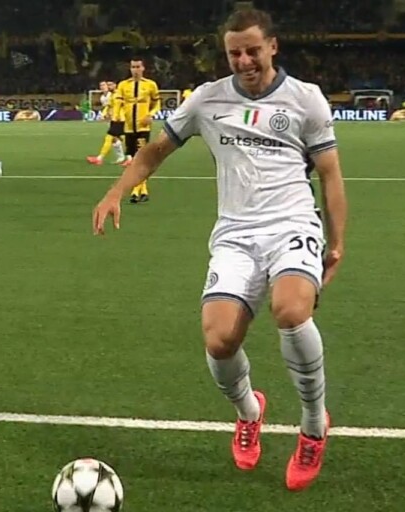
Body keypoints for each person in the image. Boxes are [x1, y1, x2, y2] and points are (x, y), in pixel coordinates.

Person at [92, 7, 346, 491]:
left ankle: (314, 424)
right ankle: (249, 412)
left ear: (272, 47)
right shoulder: (207, 99)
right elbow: (154, 151)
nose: (244, 61)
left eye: (253, 50)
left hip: (292, 224)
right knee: (219, 340)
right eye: (235, 53)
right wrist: (115, 192)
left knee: (291, 311)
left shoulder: (305, 99)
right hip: (235, 233)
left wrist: (337, 242)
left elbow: (331, 174)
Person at [112, 57, 161, 203]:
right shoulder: (123, 85)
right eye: (133, 67)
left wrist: (151, 114)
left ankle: (135, 191)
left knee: (141, 158)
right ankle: (143, 190)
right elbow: (118, 103)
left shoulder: (150, 85)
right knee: (133, 160)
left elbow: (157, 103)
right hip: (128, 127)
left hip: (143, 127)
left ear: (143, 68)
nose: (135, 70)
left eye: (138, 67)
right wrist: (116, 118)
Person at [87, 80, 130, 166]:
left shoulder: (118, 94)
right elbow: (109, 106)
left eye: (110, 85)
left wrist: (118, 115)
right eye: (108, 85)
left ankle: (99, 158)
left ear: (115, 85)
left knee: (110, 138)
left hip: (119, 119)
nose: (108, 86)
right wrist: (104, 114)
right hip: (114, 120)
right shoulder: (110, 96)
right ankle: (127, 158)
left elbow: (123, 106)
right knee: (118, 139)